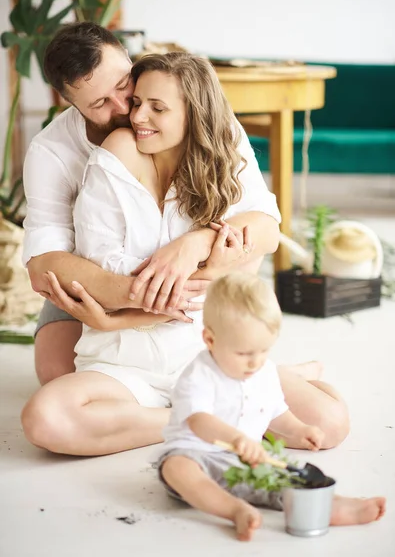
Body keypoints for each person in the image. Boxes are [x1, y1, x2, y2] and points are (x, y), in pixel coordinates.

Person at [21, 23, 349, 453]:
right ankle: (206, 415)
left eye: (126, 86)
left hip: (195, 326)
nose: (128, 110)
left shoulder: (205, 127)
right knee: (55, 379)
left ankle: (226, 389)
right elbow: (46, 262)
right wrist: (132, 305)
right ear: (71, 102)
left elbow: (266, 222)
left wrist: (196, 244)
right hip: (87, 293)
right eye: (101, 102)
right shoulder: (58, 153)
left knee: (327, 423)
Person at [156, 272, 386, 541]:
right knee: (176, 468)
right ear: (210, 340)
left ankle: (332, 506)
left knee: (282, 475)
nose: (255, 362)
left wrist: (300, 430)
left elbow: (277, 413)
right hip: (198, 455)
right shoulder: (199, 374)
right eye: (243, 353)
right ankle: (234, 510)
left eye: (264, 350)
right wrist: (237, 439)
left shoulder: (264, 372)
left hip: (247, 461)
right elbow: (198, 421)